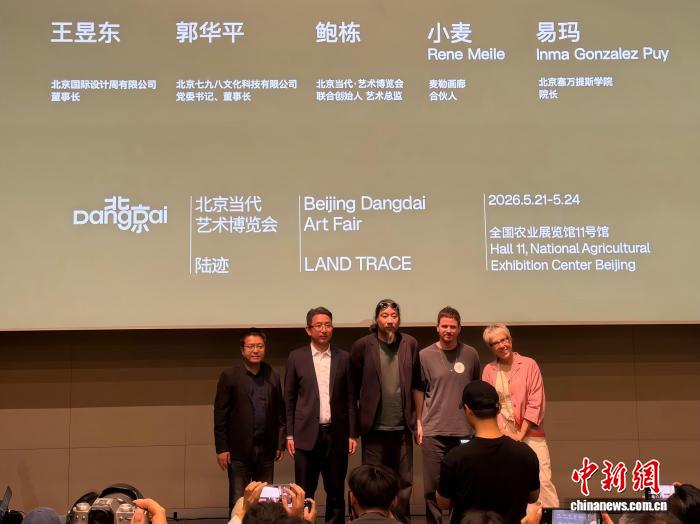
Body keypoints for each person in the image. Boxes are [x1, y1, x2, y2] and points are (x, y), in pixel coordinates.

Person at [284, 307, 358, 524]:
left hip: (336, 435)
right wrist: (289, 434)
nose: (324, 329)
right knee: (304, 492)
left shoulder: (344, 357)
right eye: (318, 325)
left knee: (335, 490)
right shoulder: (296, 357)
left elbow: (351, 398)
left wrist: (352, 433)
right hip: (305, 435)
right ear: (309, 330)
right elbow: (289, 399)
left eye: (328, 325)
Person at [350, 299, 420, 523]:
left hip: (402, 427)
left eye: (394, 316)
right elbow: (352, 389)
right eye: (385, 316)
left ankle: (401, 521)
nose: (390, 321)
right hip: (374, 428)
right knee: (373, 482)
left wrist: (419, 420)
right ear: (376, 319)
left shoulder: (409, 343)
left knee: (404, 482)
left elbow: (417, 384)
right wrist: (353, 430)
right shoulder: (362, 346)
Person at [436, 380, 540, 524]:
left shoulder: (455, 458)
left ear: (467, 410)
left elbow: (443, 503)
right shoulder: (526, 454)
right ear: (499, 409)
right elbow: (533, 496)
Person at [414, 307, 481, 524]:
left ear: (459, 328)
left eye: (453, 327)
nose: (448, 330)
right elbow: (419, 390)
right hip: (433, 431)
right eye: (444, 326)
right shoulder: (424, 355)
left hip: (464, 432)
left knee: (462, 485)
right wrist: (419, 422)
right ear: (437, 327)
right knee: (432, 489)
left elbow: (475, 389)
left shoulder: (471, 354)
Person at [481, 324, 559, 508]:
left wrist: (520, 434)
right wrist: (502, 433)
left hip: (530, 431)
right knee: (507, 481)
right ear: (490, 347)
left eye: (504, 340)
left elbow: (536, 402)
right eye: (495, 343)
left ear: (510, 340)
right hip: (502, 434)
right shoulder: (489, 370)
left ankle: (550, 518)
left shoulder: (529, 364)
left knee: (542, 481)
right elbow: (488, 405)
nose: (502, 345)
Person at [214, 328, 286, 513]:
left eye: (260, 346)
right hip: (238, 450)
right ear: (242, 349)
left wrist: (280, 443)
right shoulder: (230, 375)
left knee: (266, 500)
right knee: (238, 500)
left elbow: (280, 413)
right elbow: (220, 415)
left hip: (266, 449)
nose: (256, 350)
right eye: (251, 346)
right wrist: (222, 449)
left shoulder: (272, 374)